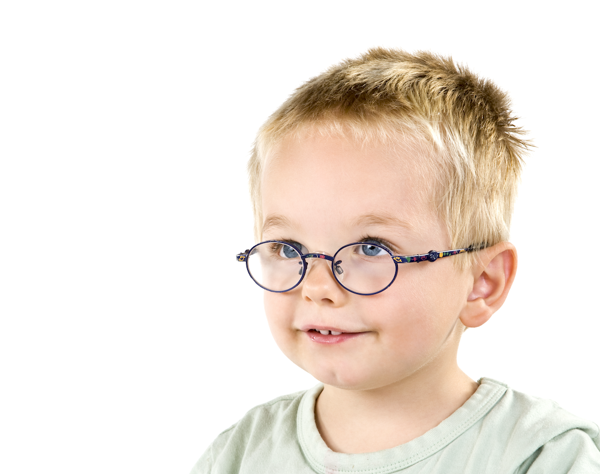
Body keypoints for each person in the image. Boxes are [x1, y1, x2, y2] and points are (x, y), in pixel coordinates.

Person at [192, 48, 600, 473]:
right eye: (288, 248)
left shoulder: (543, 456)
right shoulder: (240, 454)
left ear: (482, 283)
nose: (316, 287)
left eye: (372, 248)